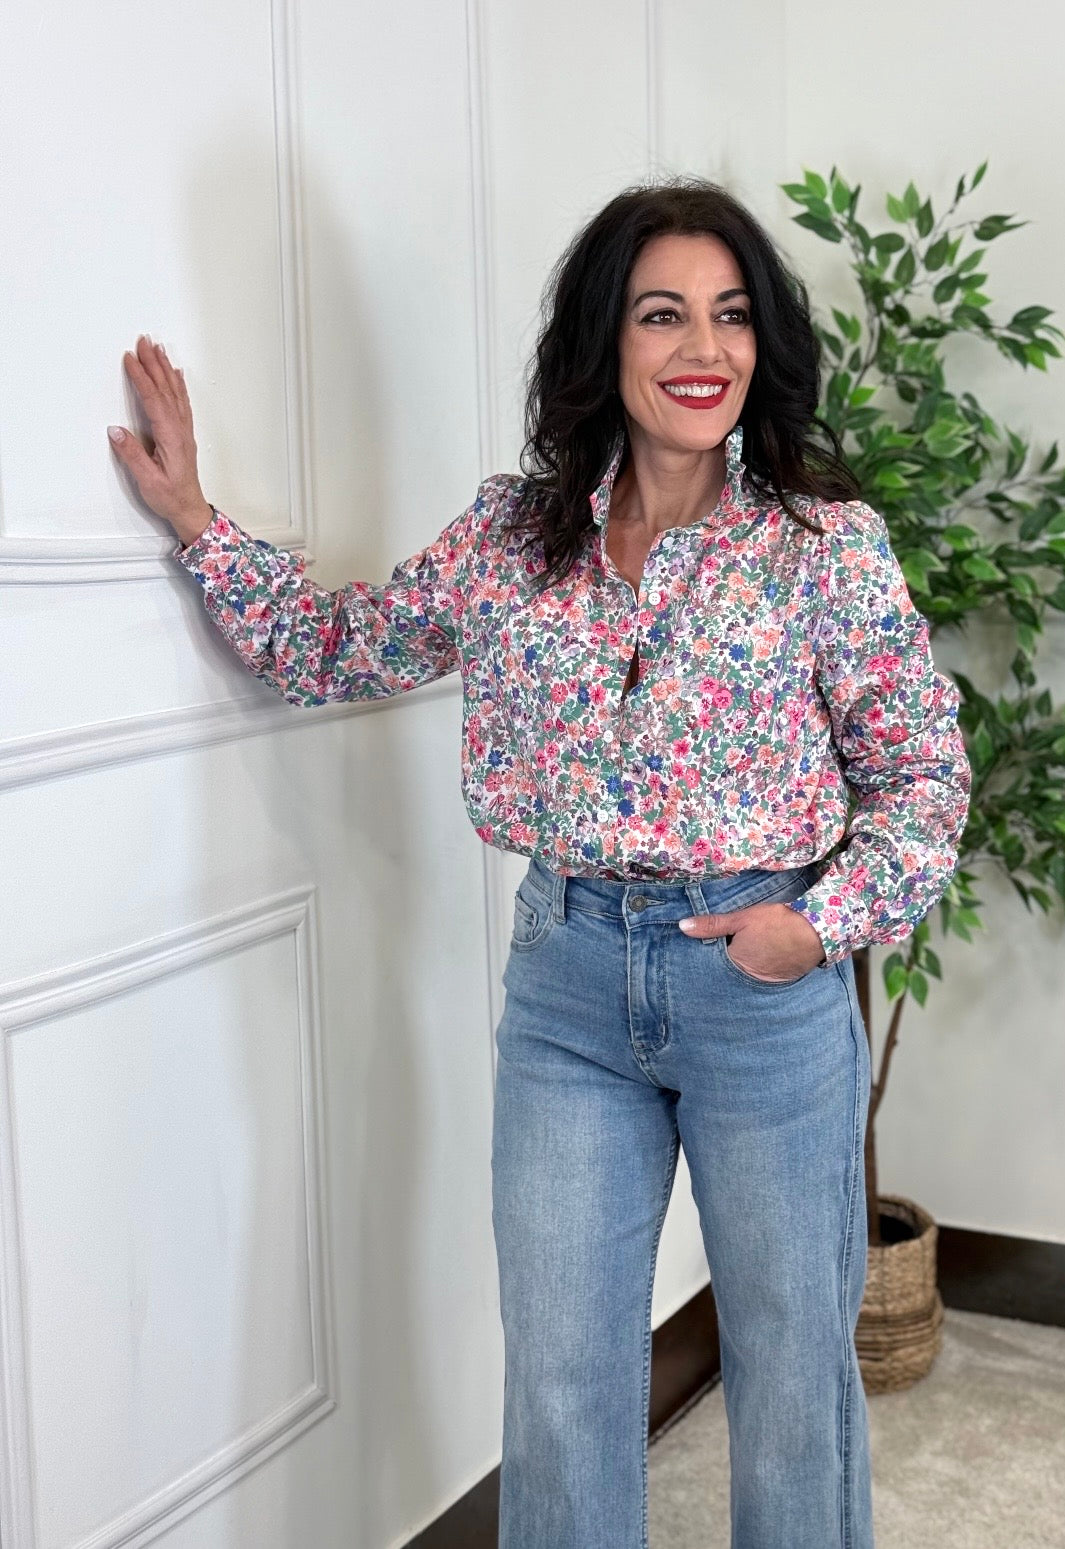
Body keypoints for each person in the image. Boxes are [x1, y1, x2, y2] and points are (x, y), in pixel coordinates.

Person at [107, 176, 972, 1549]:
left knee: (793, 1386)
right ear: (603, 340)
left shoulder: (823, 550)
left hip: (760, 990)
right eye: (663, 314)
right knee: (562, 1386)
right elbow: (340, 646)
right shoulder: (515, 537)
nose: (703, 348)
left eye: (732, 315)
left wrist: (815, 926)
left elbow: (925, 782)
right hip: (568, 987)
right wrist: (199, 521)